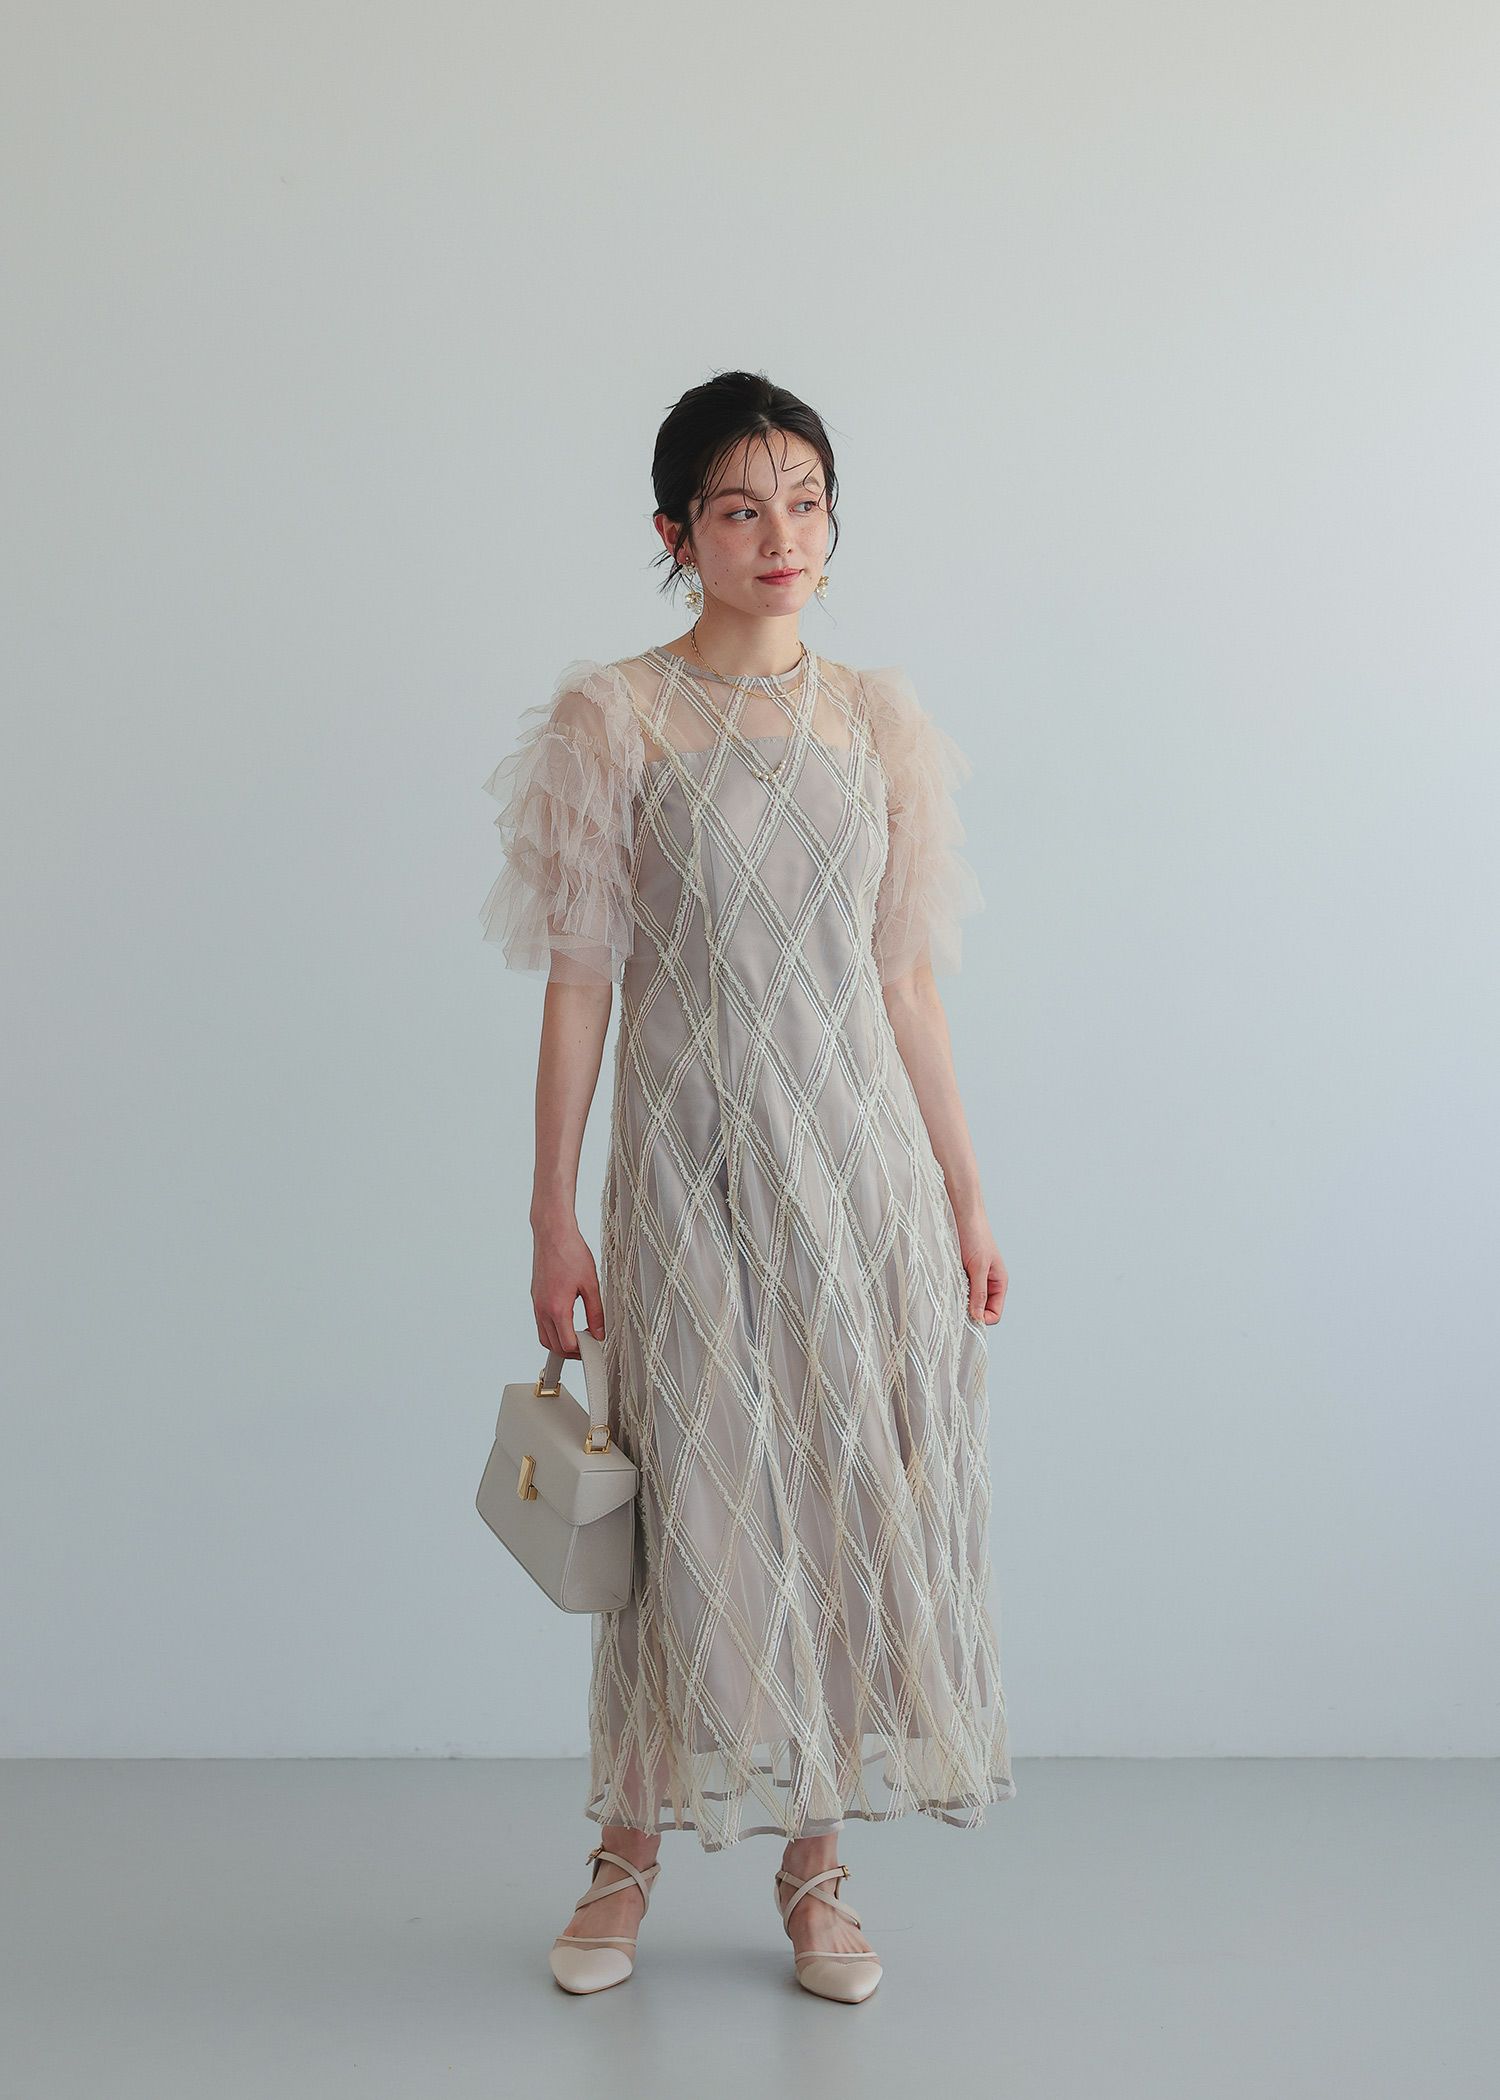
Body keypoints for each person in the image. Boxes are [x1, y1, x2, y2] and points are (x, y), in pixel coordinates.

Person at [479, 370, 1016, 2003]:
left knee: (843, 1495)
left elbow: (906, 983)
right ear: (677, 533)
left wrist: (966, 1197)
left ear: (832, 521)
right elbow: (581, 981)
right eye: (738, 507)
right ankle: (624, 1858)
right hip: (690, 1172)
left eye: (805, 501)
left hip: (859, 1180)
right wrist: (552, 1209)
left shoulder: (876, 720)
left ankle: (817, 1871)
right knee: (693, 1508)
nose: (780, 534)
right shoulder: (618, 719)